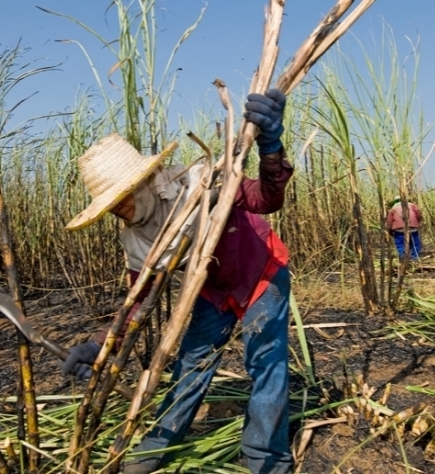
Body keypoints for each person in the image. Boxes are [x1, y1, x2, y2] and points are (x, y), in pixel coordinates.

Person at [62, 89, 294, 474]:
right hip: (213, 289)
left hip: (260, 273)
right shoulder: (134, 238)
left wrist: (270, 146)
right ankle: (160, 443)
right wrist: (102, 345)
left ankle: (266, 457)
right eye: (110, 207)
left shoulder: (198, 183)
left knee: (266, 362)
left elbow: (266, 199)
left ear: (144, 181)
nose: (119, 210)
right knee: (191, 361)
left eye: (122, 197)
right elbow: (140, 298)